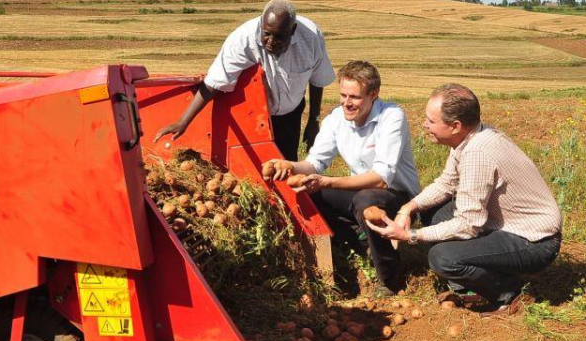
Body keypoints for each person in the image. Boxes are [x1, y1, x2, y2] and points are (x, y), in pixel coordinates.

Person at [367, 84, 562, 317]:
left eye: (431, 120)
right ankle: (474, 281)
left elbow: (468, 225)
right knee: (432, 211)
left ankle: (508, 293)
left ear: (455, 126)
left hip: (534, 241)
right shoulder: (470, 138)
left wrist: (411, 236)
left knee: (442, 258)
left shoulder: (478, 153)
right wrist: (407, 208)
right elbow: (446, 183)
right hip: (506, 223)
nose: (424, 125)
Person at [268, 60, 420, 297]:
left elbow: (381, 178)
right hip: (359, 193)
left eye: (355, 97)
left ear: (373, 95)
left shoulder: (392, 117)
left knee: (365, 200)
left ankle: (390, 278)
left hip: (398, 197)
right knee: (311, 192)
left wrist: (328, 181)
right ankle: (360, 241)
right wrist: (291, 165)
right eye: (343, 95)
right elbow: (315, 163)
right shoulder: (336, 119)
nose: (347, 103)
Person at [153, 0, 335, 161]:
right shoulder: (243, 39)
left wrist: (314, 120)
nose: (271, 41)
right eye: (266, 34)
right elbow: (215, 83)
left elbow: (318, 78)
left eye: (279, 36)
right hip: (255, 116)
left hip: (291, 113)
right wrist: (183, 121)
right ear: (261, 24)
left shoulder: (310, 37)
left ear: (293, 30)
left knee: (287, 163)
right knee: (259, 165)